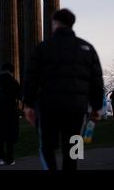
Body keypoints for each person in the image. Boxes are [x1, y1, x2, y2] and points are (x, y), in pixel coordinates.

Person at [23, 9, 104, 171]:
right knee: (74, 148)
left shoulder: (43, 48)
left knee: (47, 147)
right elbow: (96, 81)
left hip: (49, 108)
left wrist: (28, 105)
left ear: (54, 23)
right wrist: (96, 107)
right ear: (71, 24)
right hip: (77, 109)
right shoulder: (87, 48)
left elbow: (31, 79)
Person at [0, 63, 21, 165]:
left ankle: (0, 158)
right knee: (10, 135)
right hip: (11, 112)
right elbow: (20, 95)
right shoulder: (13, 81)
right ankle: (10, 159)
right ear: (11, 71)